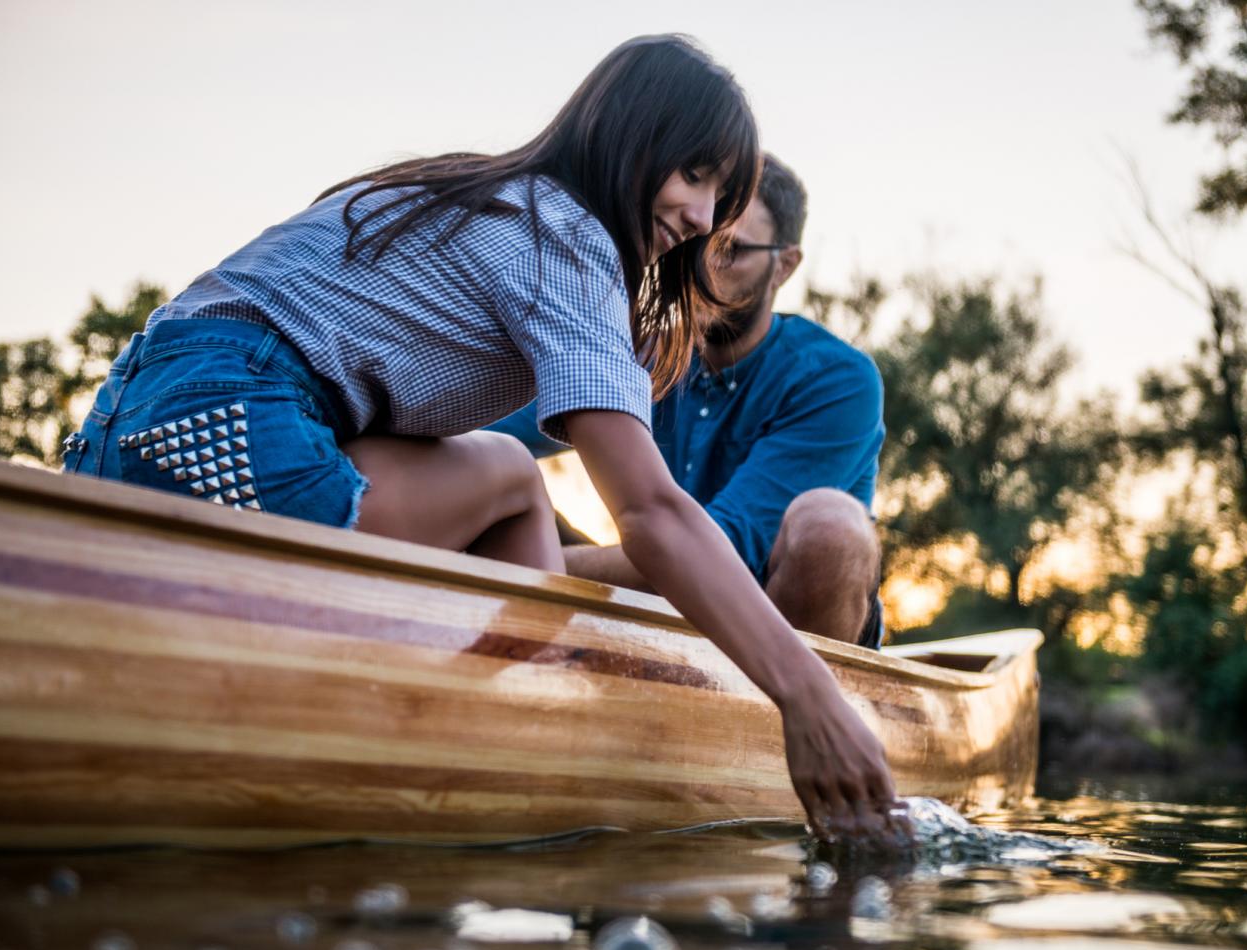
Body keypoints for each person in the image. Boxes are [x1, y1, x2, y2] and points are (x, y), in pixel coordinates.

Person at [60, 35, 900, 845]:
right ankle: (523, 745)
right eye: (693, 175)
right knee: (510, 477)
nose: (699, 216)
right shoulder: (566, 239)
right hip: (246, 432)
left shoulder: (470, 193)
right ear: (630, 135)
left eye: (721, 198)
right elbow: (649, 510)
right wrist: (807, 694)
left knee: (502, 473)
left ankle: (480, 723)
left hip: (118, 435)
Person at [490, 154, 885, 647]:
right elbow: (490, 427)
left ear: (783, 265)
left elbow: (732, 549)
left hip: (776, 613)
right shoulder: (642, 353)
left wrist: (524, 565)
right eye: (698, 246)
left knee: (832, 527)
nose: (703, 269)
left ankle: (811, 711)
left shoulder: (836, 378)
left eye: (731, 251)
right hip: (666, 607)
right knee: (488, 468)